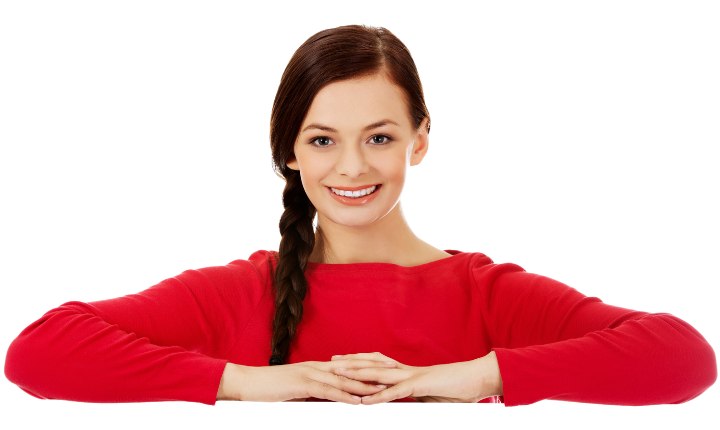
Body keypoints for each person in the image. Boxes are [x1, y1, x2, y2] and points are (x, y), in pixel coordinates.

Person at [4, 24, 717, 406]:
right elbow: (39, 351)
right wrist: (254, 381)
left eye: (379, 137)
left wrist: (473, 375)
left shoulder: (484, 295)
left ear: (421, 138)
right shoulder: (243, 294)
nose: (352, 168)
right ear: (289, 151)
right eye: (323, 140)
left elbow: (683, 358)